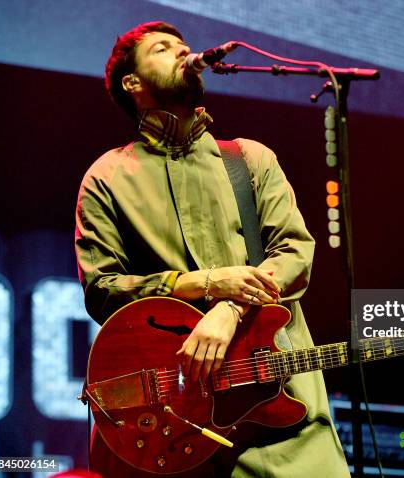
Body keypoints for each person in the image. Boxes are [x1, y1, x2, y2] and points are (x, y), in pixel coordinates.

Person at [74, 21, 350, 477]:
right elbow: (102, 290)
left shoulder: (250, 158)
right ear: (133, 83)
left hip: (283, 422)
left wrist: (231, 308)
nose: (184, 52)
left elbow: (295, 255)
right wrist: (202, 284)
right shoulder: (107, 177)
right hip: (174, 429)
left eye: (184, 46)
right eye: (163, 49)